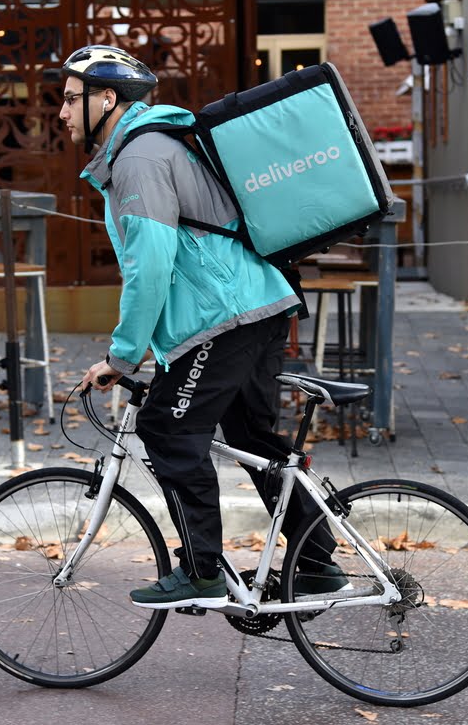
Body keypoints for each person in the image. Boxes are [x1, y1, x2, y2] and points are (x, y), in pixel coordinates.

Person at [60, 45, 347, 609]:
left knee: (168, 430)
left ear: (108, 100)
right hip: (256, 308)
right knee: (252, 437)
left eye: (72, 100)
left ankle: (201, 570)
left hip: (225, 318)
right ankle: (316, 564)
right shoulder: (151, 148)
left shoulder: (140, 159)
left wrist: (122, 358)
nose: (63, 113)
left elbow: (152, 267)